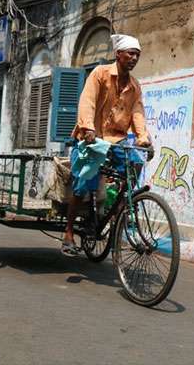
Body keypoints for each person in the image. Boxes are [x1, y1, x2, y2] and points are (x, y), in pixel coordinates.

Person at [61, 34, 151, 257]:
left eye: (137, 55)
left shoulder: (134, 85)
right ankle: (69, 232)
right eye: (130, 53)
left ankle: (118, 213)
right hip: (93, 137)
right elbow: (87, 101)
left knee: (133, 168)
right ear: (118, 54)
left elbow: (137, 112)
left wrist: (143, 139)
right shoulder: (100, 74)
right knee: (83, 184)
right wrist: (88, 128)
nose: (134, 58)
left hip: (117, 139)